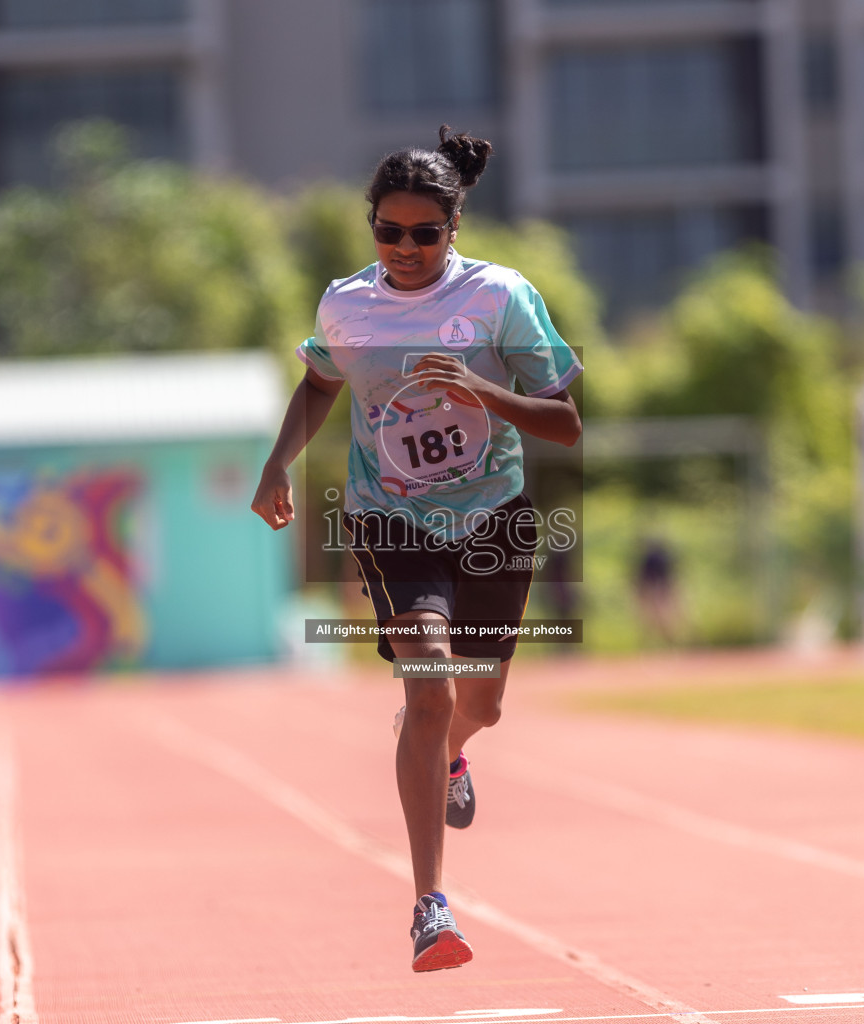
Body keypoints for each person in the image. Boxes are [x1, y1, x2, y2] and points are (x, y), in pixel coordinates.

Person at [251, 126, 582, 972]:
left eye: (424, 234)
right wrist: (278, 462)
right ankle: (431, 905)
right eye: (388, 232)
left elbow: (566, 423)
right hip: (391, 520)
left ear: (453, 229)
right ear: (372, 228)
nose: (404, 249)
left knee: (482, 703)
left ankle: (454, 751)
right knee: (429, 685)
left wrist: (478, 387)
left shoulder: (501, 297)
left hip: (494, 517)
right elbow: (321, 381)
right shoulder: (345, 305)